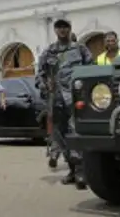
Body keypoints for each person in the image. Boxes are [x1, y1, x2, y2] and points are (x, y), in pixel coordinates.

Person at [36, 19, 92, 188]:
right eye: (59, 27)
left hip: (75, 98)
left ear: (70, 29)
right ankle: (72, 170)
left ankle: (81, 172)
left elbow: (91, 69)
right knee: (60, 136)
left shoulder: (80, 49)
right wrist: (44, 85)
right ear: (55, 30)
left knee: (75, 133)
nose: (62, 30)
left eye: (65, 27)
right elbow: (39, 75)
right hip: (56, 99)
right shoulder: (49, 52)